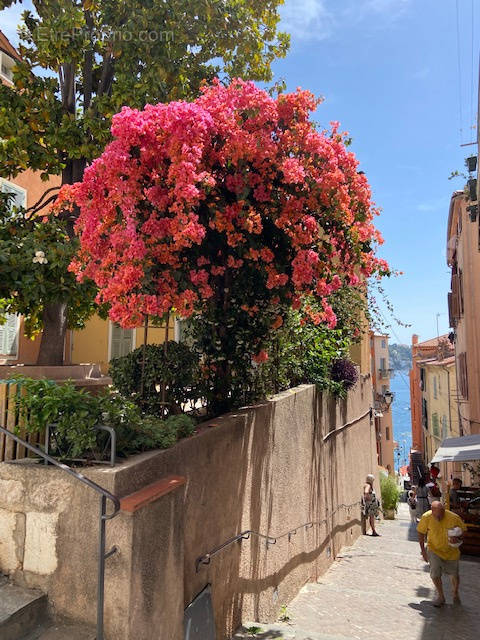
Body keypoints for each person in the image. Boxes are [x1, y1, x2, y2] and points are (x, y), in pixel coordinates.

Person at [417, 501, 467, 607]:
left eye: (441, 514)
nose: (439, 518)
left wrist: (458, 538)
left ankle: (455, 592)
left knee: (454, 575)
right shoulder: (426, 517)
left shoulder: (454, 517)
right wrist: (423, 551)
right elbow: (421, 533)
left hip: (451, 552)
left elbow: (464, 531)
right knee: (435, 574)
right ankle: (441, 596)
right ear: (432, 511)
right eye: (436, 516)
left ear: (444, 510)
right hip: (434, 549)